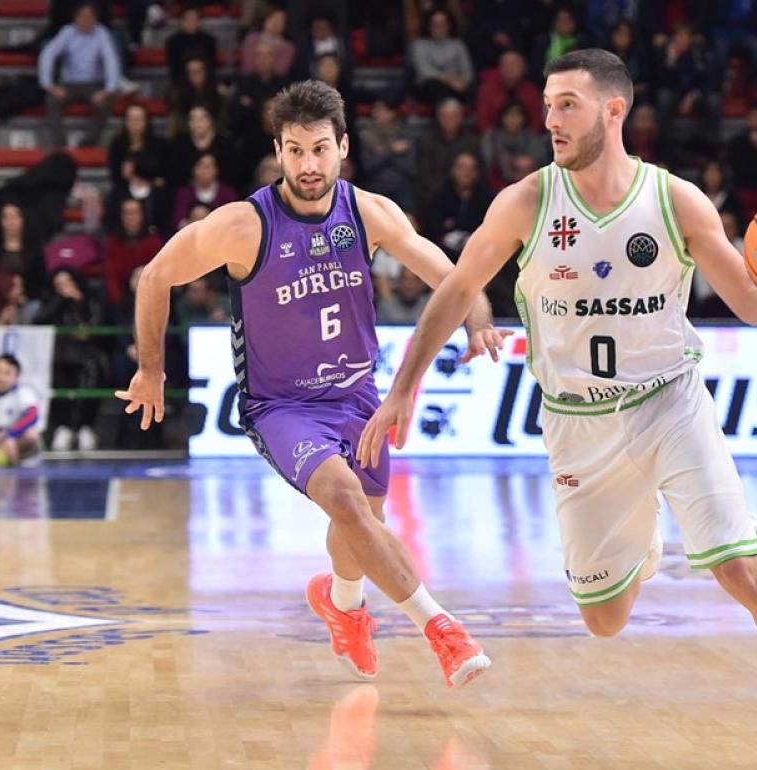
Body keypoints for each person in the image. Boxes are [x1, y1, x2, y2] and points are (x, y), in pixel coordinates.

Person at [356, 49, 757, 770]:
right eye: (547, 104)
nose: (549, 119)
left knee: (742, 568)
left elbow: (755, 303)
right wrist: (404, 386)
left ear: (614, 110)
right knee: (603, 621)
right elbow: (453, 291)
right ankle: (646, 535)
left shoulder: (676, 202)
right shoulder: (527, 202)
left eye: (566, 104)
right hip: (578, 423)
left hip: (670, 402)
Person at [116, 80, 505, 689]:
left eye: (319, 149)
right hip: (282, 406)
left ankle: (343, 605)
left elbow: (448, 273)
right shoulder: (244, 224)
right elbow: (156, 275)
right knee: (349, 504)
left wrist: (479, 317)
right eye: (294, 151)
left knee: (360, 526)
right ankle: (443, 630)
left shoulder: (368, 211)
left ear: (343, 147)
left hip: (357, 395)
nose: (307, 165)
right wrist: (152, 368)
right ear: (278, 149)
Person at [35, 268, 109, 451]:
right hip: (60, 352)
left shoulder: (92, 301)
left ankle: (85, 426)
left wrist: (82, 312)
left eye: (67, 283)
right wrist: (61, 300)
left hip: (90, 352)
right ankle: (65, 426)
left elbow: (98, 324)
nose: (64, 288)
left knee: (93, 371)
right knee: (58, 374)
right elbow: (39, 321)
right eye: (59, 285)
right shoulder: (52, 302)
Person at [38, 0, 120, 148]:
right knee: (51, 101)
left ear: (96, 18)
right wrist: (49, 84)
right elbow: (48, 54)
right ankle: (60, 144)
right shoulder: (67, 32)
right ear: (75, 18)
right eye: (82, 16)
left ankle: (88, 143)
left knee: (105, 105)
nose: (86, 20)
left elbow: (111, 61)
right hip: (69, 84)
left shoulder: (102, 33)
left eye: (89, 16)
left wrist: (108, 90)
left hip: (93, 83)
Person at [0, 202, 48, 302]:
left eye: (15, 217)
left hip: (28, 300)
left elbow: (40, 281)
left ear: (23, 219)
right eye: (6, 217)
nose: (10, 221)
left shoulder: (34, 248)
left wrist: (22, 297)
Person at [409, 9, 475, 105]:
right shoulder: (419, 44)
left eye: (443, 23)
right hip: (430, 86)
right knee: (435, 87)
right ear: (428, 26)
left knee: (474, 88)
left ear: (449, 25)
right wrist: (449, 80)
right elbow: (425, 71)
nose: (439, 27)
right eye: (435, 24)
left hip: (457, 86)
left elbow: (467, 71)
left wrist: (463, 83)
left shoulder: (458, 44)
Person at [105, 198, 163, 304]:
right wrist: (118, 301)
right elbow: (111, 274)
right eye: (126, 213)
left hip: (149, 296)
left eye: (135, 213)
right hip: (121, 298)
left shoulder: (154, 241)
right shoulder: (113, 243)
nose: (130, 217)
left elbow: (158, 273)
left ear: (142, 215)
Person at [475, 49, 544, 133]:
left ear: (523, 67)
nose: (509, 69)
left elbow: (537, 121)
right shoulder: (487, 90)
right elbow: (482, 121)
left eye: (514, 64)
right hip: (494, 139)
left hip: (527, 140)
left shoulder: (533, 91)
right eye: (506, 64)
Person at [107, 101, 168, 190]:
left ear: (146, 121)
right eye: (131, 119)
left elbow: (162, 177)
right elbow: (115, 176)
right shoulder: (118, 144)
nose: (135, 123)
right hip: (125, 189)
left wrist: (147, 182)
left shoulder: (160, 144)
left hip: (153, 190)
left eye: (139, 119)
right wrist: (128, 177)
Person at [171, 152, 239, 228]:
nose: (205, 171)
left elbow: (232, 220)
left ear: (216, 170)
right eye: (201, 165)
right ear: (193, 169)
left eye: (208, 166)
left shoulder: (228, 193)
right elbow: (179, 221)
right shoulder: (184, 193)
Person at [164, 2, 218, 86]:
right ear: (181, 21)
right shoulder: (173, 42)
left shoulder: (209, 40)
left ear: (200, 22)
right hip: (181, 84)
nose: (192, 22)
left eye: (195, 19)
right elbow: (174, 69)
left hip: (206, 84)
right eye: (188, 19)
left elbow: (212, 67)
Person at [240, 5, 294, 78]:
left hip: (277, 84)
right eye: (272, 18)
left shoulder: (288, 47)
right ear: (264, 20)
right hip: (250, 81)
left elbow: (281, 71)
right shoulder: (251, 39)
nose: (275, 23)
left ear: (285, 25)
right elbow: (248, 67)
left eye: (279, 21)